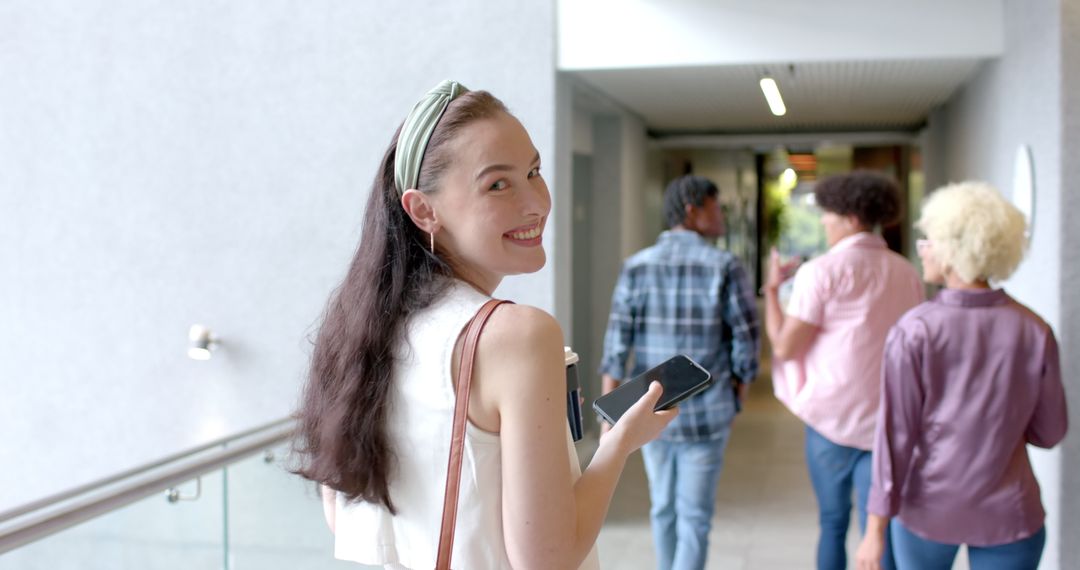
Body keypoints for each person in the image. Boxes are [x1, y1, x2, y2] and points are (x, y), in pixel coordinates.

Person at [292, 80, 677, 570]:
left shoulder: (359, 332)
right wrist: (620, 441)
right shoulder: (518, 335)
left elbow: (344, 513)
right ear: (423, 210)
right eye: (498, 184)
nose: (536, 202)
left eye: (534, 171)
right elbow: (548, 560)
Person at [856, 181, 1068, 570]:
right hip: (1012, 514)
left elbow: (894, 438)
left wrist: (874, 529)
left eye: (929, 240)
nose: (922, 249)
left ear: (955, 251)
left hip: (928, 511)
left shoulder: (915, 330)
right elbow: (1050, 432)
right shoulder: (1034, 329)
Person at [598, 174, 760, 570]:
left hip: (648, 412)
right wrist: (739, 391)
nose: (721, 216)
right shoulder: (725, 265)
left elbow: (617, 343)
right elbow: (746, 338)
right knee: (694, 517)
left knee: (663, 508)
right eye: (715, 207)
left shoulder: (636, 267)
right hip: (707, 413)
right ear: (692, 210)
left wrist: (608, 417)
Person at [765, 171, 923, 570]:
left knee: (832, 524)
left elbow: (785, 346)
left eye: (828, 214)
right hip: (888, 419)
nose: (823, 221)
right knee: (879, 529)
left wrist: (770, 292)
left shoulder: (822, 271)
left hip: (831, 419)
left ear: (852, 217)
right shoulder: (907, 272)